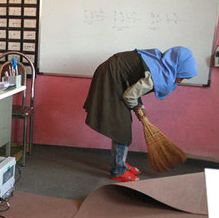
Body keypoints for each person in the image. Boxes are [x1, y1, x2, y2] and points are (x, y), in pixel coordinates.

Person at [83, 47, 197, 182]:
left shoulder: (159, 63)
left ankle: (121, 163)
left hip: (118, 76)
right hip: (110, 76)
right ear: (176, 67)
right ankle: (118, 171)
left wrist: (140, 107)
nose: (179, 81)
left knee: (123, 123)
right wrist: (137, 108)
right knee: (121, 128)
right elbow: (129, 95)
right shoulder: (156, 75)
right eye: (181, 76)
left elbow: (134, 83)